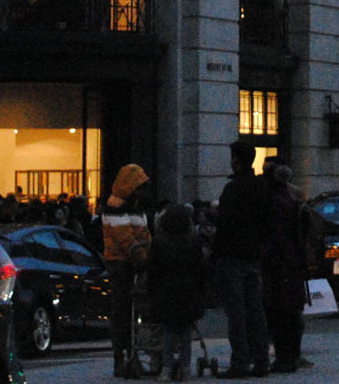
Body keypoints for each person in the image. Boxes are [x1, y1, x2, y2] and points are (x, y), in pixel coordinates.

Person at [214, 141, 272, 379]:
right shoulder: (261, 187)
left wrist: (216, 254)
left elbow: (224, 224)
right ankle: (261, 360)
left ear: (236, 160)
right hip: (253, 255)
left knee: (236, 312)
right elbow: (267, 221)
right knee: (256, 310)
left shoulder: (233, 189)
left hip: (233, 256)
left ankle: (240, 361)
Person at [261, 163, 318, 374]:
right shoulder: (294, 199)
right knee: (292, 312)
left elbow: (272, 234)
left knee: (279, 311)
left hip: (279, 263)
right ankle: (292, 355)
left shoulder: (275, 201)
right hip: (293, 263)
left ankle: (284, 358)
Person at [145, 203, 211, 382]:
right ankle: (185, 366)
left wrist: (151, 290)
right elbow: (200, 269)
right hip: (188, 291)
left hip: (166, 291)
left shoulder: (159, 243)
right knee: (185, 332)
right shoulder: (193, 242)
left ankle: (166, 367)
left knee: (168, 331)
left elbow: (153, 269)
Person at [101, 163, 155, 379]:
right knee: (123, 312)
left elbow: (141, 235)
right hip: (121, 264)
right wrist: (145, 256)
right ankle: (122, 358)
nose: (142, 190)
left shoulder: (132, 205)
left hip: (129, 263)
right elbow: (127, 240)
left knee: (128, 313)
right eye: (139, 186)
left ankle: (128, 356)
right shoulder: (116, 207)